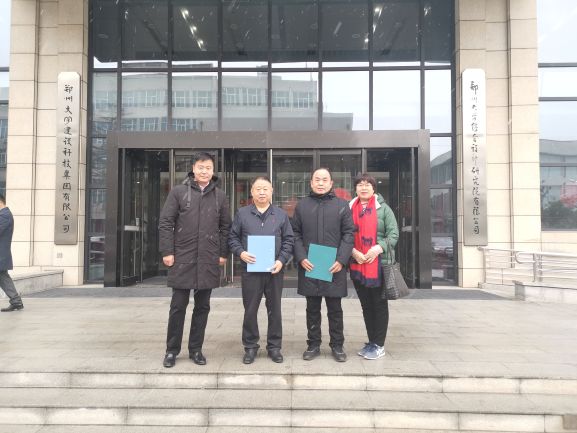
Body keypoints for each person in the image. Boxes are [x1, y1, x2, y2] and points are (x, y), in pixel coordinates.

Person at [159, 152, 231, 368]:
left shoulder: (220, 196)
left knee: (202, 307)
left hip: (208, 258)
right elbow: (166, 222)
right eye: (201, 167)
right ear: (193, 168)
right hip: (182, 257)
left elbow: (225, 227)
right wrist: (167, 251)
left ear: (213, 170)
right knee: (178, 306)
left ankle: (196, 349)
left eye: (208, 168)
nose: (204, 171)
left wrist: (222, 253)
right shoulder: (178, 192)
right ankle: (172, 351)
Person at [292, 168, 355, 362]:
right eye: (317, 180)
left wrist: (341, 260)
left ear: (331, 183)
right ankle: (313, 345)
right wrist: (301, 257)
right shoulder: (302, 206)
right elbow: (295, 234)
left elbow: (349, 234)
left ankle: (337, 345)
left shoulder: (342, 205)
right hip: (310, 265)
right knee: (312, 308)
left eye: (324, 180)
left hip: (333, 266)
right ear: (311, 183)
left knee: (335, 309)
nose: (320, 183)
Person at [229, 176, 294, 364]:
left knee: (275, 310)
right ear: (252, 192)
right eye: (258, 189)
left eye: (266, 189)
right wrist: (241, 253)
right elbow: (232, 238)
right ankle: (250, 347)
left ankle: (274, 347)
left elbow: (289, 240)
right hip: (251, 271)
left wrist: (281, 260)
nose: (262, 192)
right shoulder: (242, 214)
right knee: (250, 310)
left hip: (274, 271)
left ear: (272, 191)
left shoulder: (280, 215)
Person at [349, 174, 399, 360]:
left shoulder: (384, 209)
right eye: (360, 185)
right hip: (357, 263)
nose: (364, 188)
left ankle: (379, 344)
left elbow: (393, 234)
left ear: (373, 188)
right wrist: (353, 251)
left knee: (378, 305)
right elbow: (344, 234)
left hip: (378, 265)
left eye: (367, 184)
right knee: (366, 305)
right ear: (355, 188)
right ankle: (371, 342)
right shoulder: (349, 208)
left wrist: (378, 248)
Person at [0, 195, 23, 313]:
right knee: (3, 277)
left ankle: (16, 301)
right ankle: (16, 301)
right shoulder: (4, 215)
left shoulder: (4, 215)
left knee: (3, 277)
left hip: (1, 254)